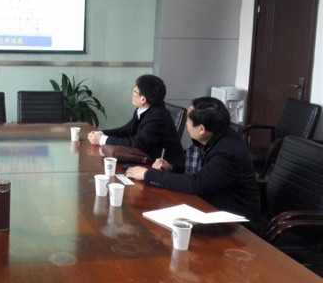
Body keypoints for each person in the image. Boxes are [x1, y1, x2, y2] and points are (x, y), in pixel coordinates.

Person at [126, 96, 260, 225]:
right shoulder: (217, 135)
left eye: (188, 122)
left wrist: (147, 174)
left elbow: (196, 183)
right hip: (211, 207)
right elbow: (204, 173)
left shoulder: (227, 153)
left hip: (237, 223)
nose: (186, 125)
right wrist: (171, 168)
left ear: (201, 129)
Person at [87, 74, 184, 168]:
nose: (132, 92)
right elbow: (126, 130)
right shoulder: (143, 109)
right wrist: (101, 133)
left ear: (143, 99)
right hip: (146, 159)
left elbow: (136, 144)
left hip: (164, 167)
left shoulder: (157, 117)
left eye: (135, 91)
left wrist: (102, 139)